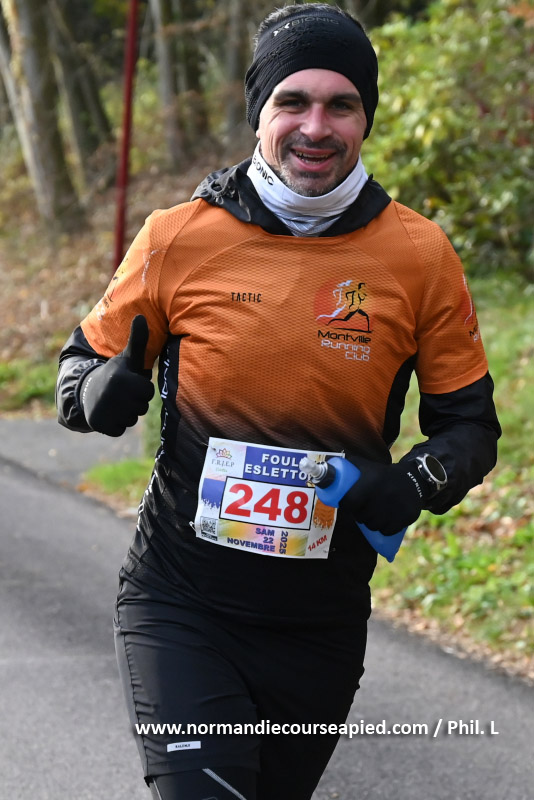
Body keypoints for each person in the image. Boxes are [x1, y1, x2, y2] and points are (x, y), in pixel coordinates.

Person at [56, 4, 501, 799]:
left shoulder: (419, 255)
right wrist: (98, 391)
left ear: (366, 118)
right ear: (259, 112)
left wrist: (410, 484)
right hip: (181, 600)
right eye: (292, 102)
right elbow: (77, 372)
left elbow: (469, 426)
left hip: (319, 622)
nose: (315, 127)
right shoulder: (178, 237)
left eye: (341, 105)